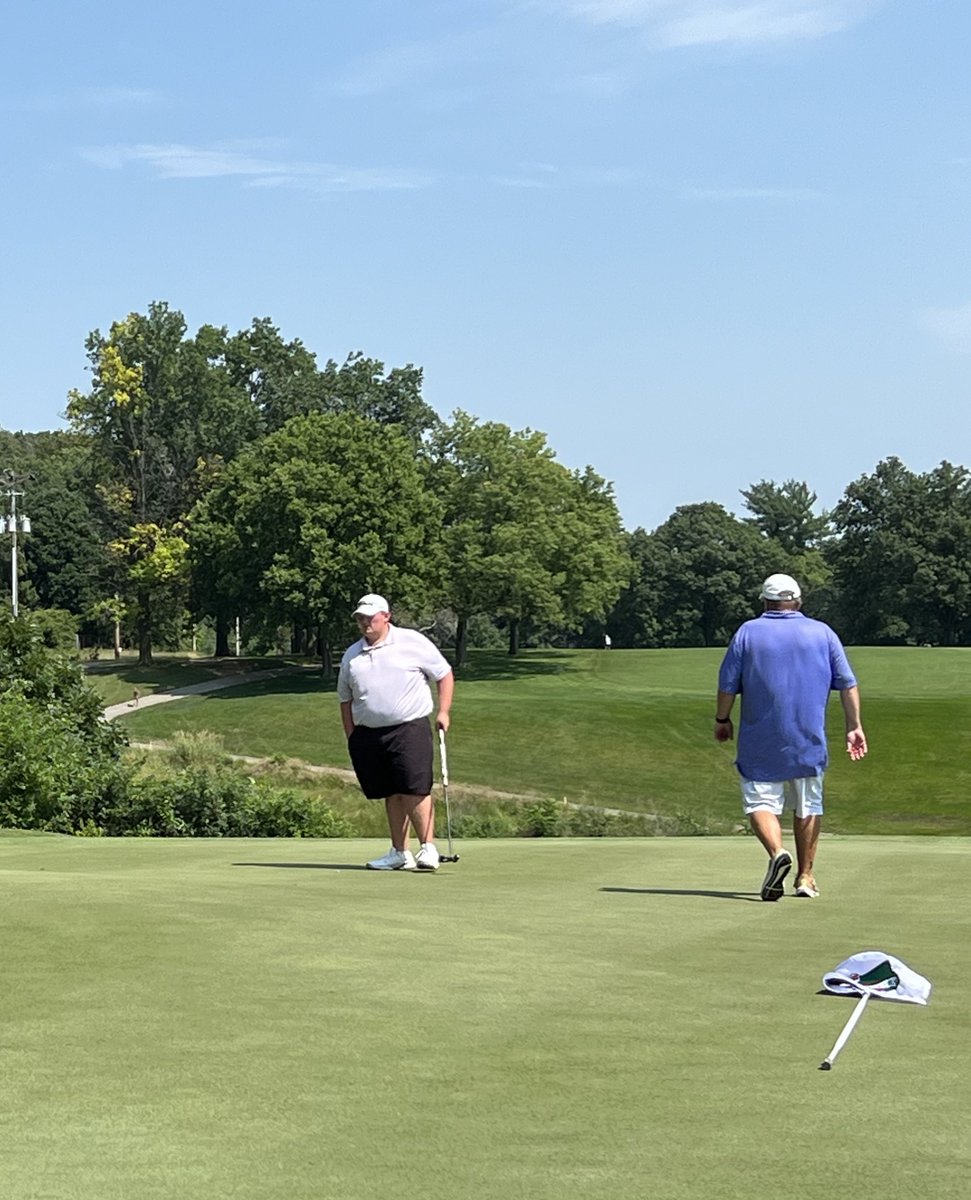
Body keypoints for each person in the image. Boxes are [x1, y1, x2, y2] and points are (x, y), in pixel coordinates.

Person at [714, 573, 867, 901]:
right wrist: (854, 726)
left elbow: (727, 686)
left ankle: (777, 852)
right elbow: (847, 684)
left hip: (760, 738)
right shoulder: (823, 632)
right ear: (797, 601)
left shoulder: (747, 632)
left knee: (760, 803)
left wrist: (722, 719)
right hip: (808, 738)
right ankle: (805, 877)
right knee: (808, 804)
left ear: (765, 602)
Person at [337, 593, 454, 871]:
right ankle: (400, 853)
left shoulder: (411, 641)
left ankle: (428, 849)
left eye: (370, 617)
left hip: (409, 727)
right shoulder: (352, 655)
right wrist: (352, 736)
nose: (365, 622)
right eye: (360, 618)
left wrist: (443, 711)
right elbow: (345, 699)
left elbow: (444, 674)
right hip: (369, 735)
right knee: (391, 791)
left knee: (414, 788)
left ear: (386, 616)